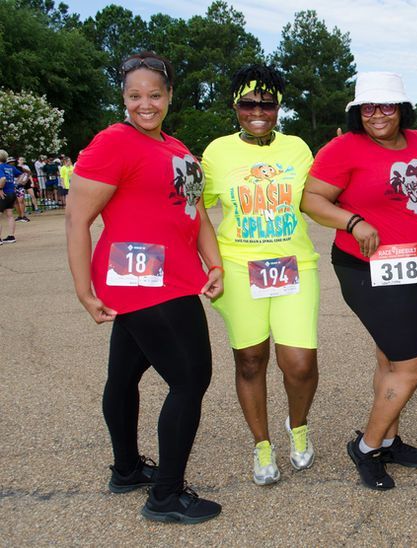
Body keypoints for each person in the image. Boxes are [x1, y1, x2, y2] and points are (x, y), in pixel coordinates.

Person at [65, 51, 224, 524]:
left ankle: (128, 470)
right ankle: (166, 496)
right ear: (123, 97)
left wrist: (213, 263)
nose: (145, 104)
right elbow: (77, 218)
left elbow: (194, 211)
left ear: (170, 95)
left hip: (173, 275)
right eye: (134, 95)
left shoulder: (176, 147)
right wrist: (83, 290)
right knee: (190, 379)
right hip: (145, 281)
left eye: (154, 94)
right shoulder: (114, 141)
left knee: (124, 376)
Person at [301, 72, 417, 490]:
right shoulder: (344, 148)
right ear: (357, 111)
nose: (377, 114)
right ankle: (367, 446)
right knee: (412, 363)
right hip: (367, 267)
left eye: (387, 105)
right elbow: (311, 199)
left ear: (402, 108)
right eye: (368, 107)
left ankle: (388, 439)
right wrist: (352, 221)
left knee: (390, 358)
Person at [201, 64, 320, 485]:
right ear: (235, 106)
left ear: (278, 107)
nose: (257, 111)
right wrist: (211, 262)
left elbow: (318, 199)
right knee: (250, 360)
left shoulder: (297, 149)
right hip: (238, 266)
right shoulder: (217, 152)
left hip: (294, 264)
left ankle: (298, 427)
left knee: (299, 363)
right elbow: (195, 209)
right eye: (248, 103)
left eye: (267, 104)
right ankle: (262, 444)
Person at [0, 150, 23, 244]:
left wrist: (0, 189)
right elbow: (21, 174)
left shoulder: (0, 167)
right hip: (12, 193)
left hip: (3, 193)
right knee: (10, 215)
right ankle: (11, 236)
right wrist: (16, 184)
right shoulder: (10, 167)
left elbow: (3, 178)